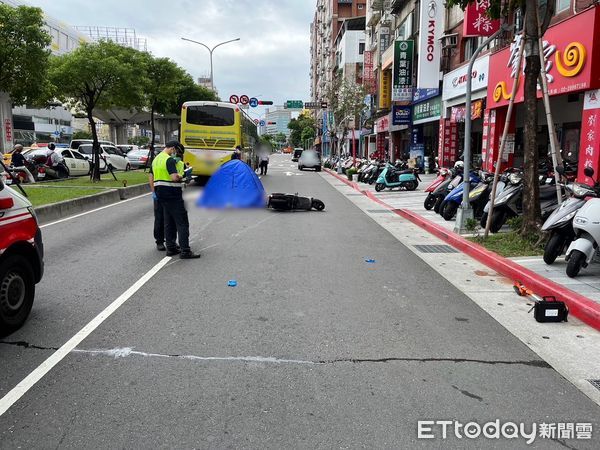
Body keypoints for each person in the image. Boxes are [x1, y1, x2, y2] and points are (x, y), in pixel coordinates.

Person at [152, 140, 200, 259]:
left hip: (161, 193)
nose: (176, 154)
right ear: (173, 148)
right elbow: (174, 178)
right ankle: (185, 251)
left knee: (169, 222)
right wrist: (184, 175)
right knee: (182, 222)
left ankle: (171, 248)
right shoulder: (168, 160)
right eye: (176, 151)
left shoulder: (156, 159)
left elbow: (154, 176)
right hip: (172, 193)